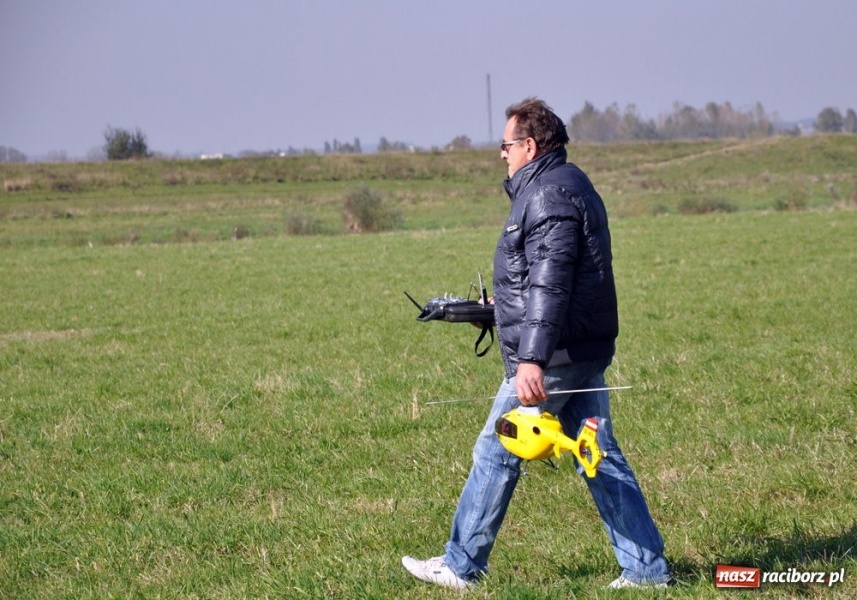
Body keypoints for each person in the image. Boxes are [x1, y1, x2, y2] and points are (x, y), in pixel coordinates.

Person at [402, 98, 671, 590]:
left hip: (555, 358)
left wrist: (531, 359)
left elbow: (551, 285)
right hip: (579, 349)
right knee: (597, 454)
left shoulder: (546, 196)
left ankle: (460, 566)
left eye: (505, 145)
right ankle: (646, 570)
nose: (500, 155)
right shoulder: (566, 184)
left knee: (497, 448)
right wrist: (495, 308)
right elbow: (543, 280)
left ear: (528, 145)